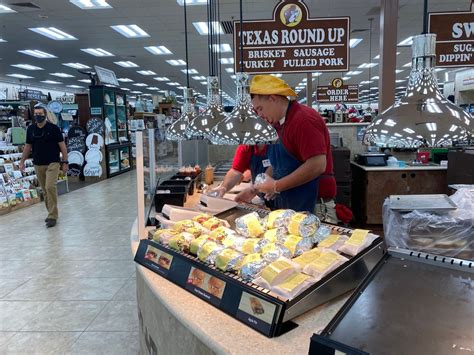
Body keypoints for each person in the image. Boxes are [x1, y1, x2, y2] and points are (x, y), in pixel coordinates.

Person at [236, 75, 337, 214]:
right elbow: (279, 163)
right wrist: (256, 188)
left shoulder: (303, 119)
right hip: (292, 206)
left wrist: (276, 185)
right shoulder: (278, 125)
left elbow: (317, 165)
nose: (259, 114)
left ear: (272, 98)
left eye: (260, 108)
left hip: (315, 208)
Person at [19, 105, 68, 228]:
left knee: (50, 186)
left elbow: (62, 146)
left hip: (53, 162)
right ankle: (50, 212)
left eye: (40, 114)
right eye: (36, 114)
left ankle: (52, 215)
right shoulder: (31, 129)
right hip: (38, 163)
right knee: (45, 191)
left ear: (45, 115)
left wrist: (65, 162)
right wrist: (22, 161)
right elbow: (27, 146)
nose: (38, 116)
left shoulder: (54, 128)